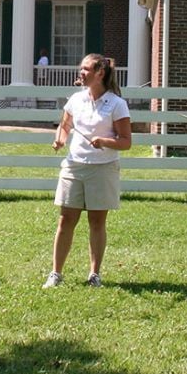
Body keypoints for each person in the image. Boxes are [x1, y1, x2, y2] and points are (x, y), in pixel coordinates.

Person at [43, 54, 131, 288]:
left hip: (103, 169)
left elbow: (125, 142)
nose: (81, 73)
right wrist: (59, 140)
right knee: (66, 219)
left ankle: (94, 275)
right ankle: (56, 274)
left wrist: (104, 141)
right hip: (74, 166)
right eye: (81, 69)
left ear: (99, 72)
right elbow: (64, 126)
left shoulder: (116, 104)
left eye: (85, 69)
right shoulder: (75, 99)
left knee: (96, 221)